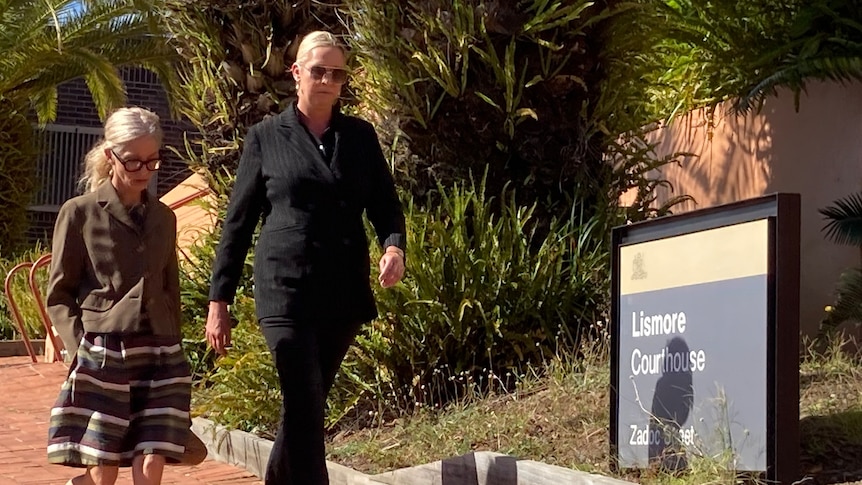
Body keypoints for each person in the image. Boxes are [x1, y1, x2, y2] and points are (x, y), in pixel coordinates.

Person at [205, 30, 406, 485]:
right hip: (285, 289)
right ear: (296, 73)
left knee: (306, 404)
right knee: (304, 397)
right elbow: (237, 223)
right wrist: (220, 301)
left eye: (337, 73)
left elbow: (385, 204)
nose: (328, 80)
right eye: (319, 71)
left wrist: (393, 245)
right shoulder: (265, 137)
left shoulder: (359, 136)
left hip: (342, 290)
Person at [45, 107, 194, 485]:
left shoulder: (164, 216)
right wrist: (79, 349)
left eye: (152, 161)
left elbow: (168, 287)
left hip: (160, 353)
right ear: (111, 156)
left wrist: (176, 345)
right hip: (104, 352)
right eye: (133, 162)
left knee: (150, 465)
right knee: (104, 473)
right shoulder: (79, 213)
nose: (143, 171)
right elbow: (59, 293)